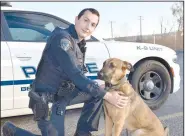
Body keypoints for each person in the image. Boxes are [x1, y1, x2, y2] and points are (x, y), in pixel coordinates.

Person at [2, 8, 129, 136]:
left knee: (97, 92)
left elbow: (77, 76)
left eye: (93, 24)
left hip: (62, 96)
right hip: (45, 99)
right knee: (101, 93)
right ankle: (13, 131)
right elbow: (74, 73)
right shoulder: (62, 39)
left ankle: (82, 133)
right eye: (85, 20)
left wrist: (99, 88)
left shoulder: (79, 42)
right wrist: (107, 96)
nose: (88, 27)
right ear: (76, 19)